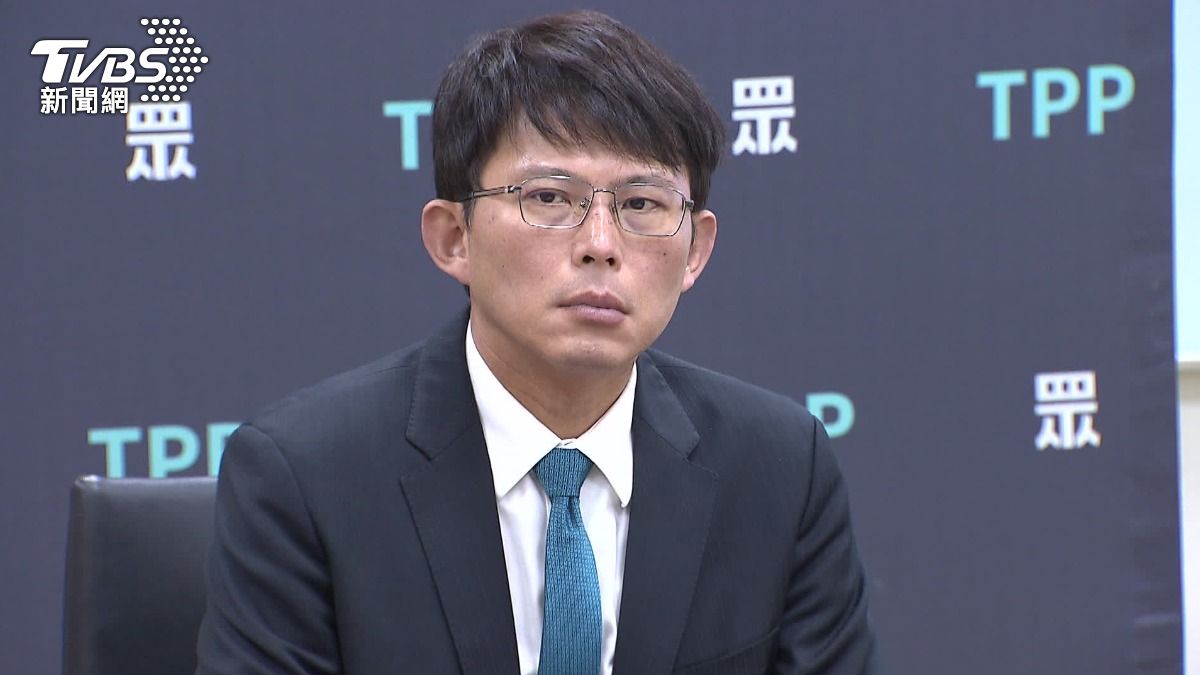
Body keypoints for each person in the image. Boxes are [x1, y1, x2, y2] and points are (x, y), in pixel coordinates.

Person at [196, 10, 876, 675]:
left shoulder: (780, 470)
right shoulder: (305, 476)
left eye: (641, 204)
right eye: (550, 197)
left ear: (696, 249)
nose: (601, 245)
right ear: (453, 238)